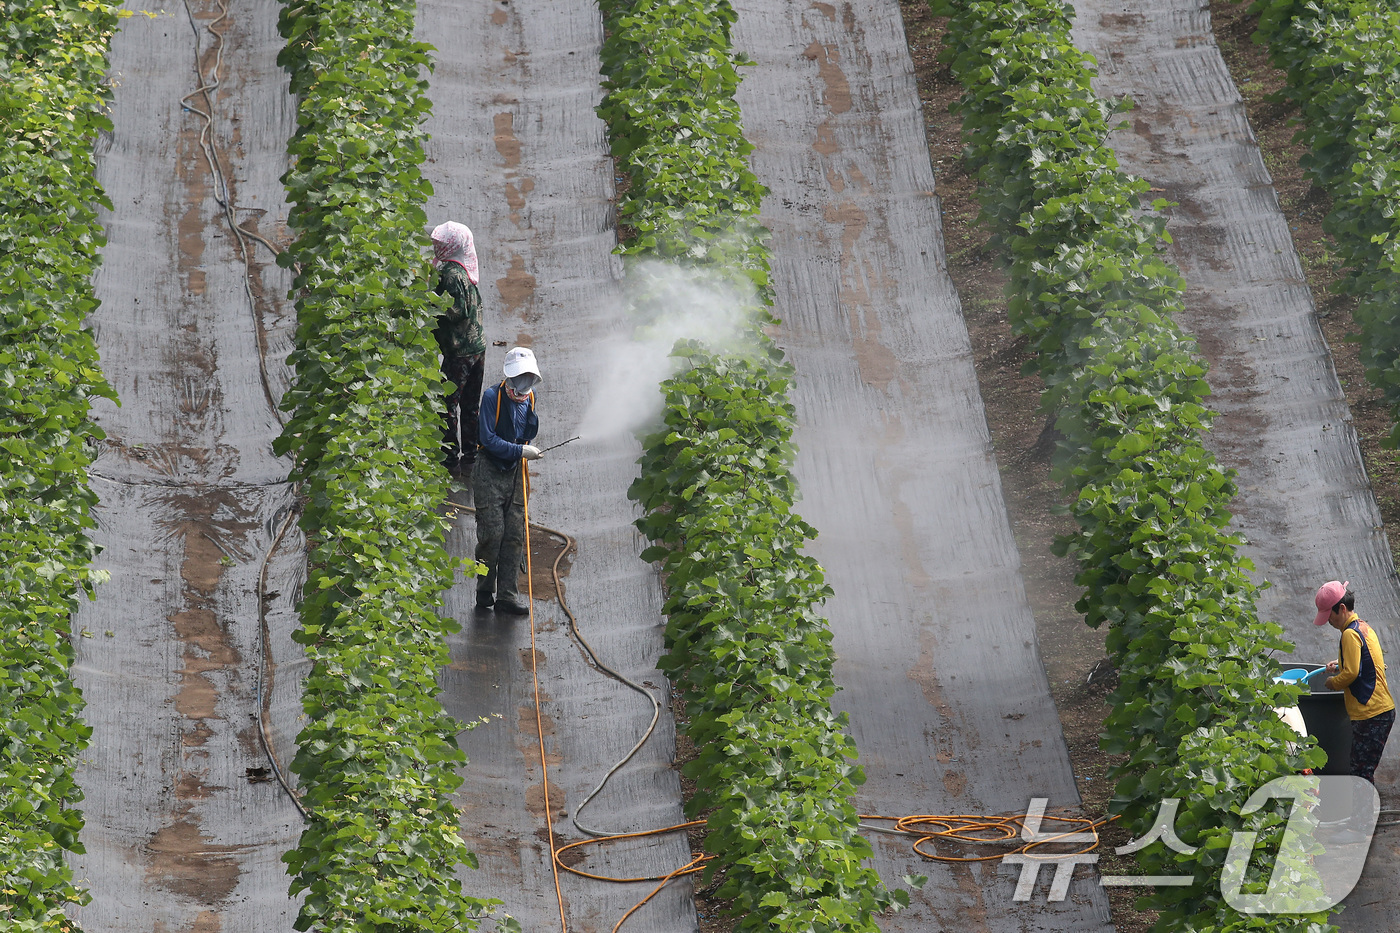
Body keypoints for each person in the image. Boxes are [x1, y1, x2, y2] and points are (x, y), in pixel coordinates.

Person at [473, 347, 543, 615]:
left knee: (514, 536)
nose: (523, 385)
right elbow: (488, 439)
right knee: (491, 534)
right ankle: (484, 588)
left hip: (515, 473)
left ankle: (507, 596)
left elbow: (525, 433)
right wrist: (520, 450)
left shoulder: (530, 398)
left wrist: (523, 450)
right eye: (520, 378)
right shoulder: (492, 397)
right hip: (489, 472)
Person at [1314, 580, 1395, 783]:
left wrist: (1333, 683)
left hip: (1370, 714)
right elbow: (1368, 662)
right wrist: (1339, 664)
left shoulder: (1349, 634)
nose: (1328, 621)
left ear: (1342, 608)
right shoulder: (1363, 627)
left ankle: (1363, 805)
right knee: (1362, 770)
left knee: (1360, 774)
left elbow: (1351, 673)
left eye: (1329, 615)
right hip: (1380, 711)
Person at [430, 221, 487, 478]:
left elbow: (458, 311)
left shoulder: (451, 274)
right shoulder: (465, 267)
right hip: (477, 347)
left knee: (447, 404)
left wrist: (430, 302)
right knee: (471, 404)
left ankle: (451, 459)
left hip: (459, 352)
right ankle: (471, 456)